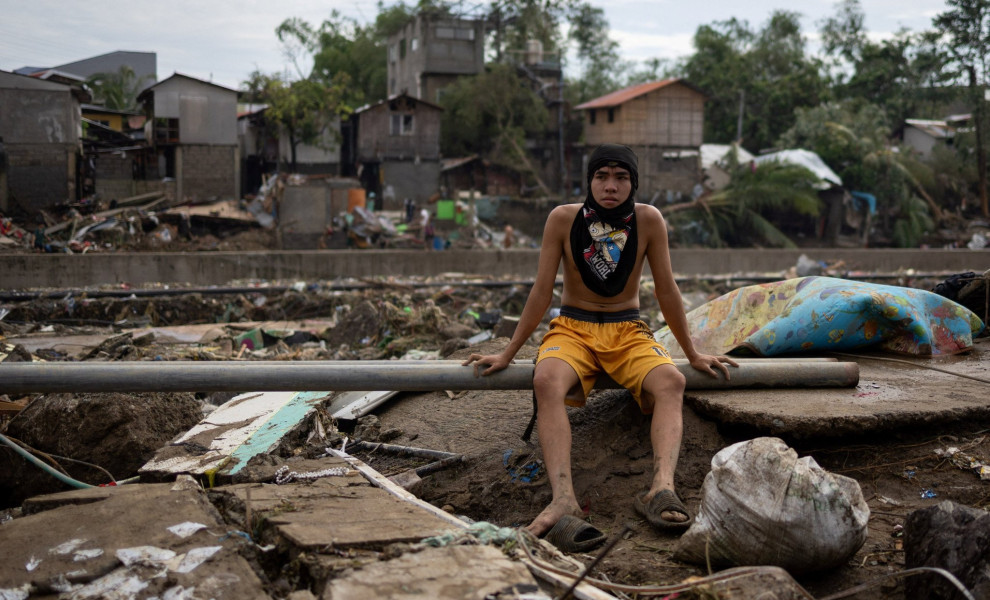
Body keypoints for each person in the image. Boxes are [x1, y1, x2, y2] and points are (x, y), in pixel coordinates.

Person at [463, 144, 737, 545]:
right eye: (602, 176)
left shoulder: (649, 220)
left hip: (628, 331)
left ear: (633, 182)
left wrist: (692, 353)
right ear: (589, 180)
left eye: (621, 177)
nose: (611, 186)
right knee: (546, 381)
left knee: (671, 383)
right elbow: (542, 290)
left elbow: (666, 290)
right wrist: (508, 352)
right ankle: (563, 501)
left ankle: (661, 487)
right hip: (574, 327)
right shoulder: (562, 219)